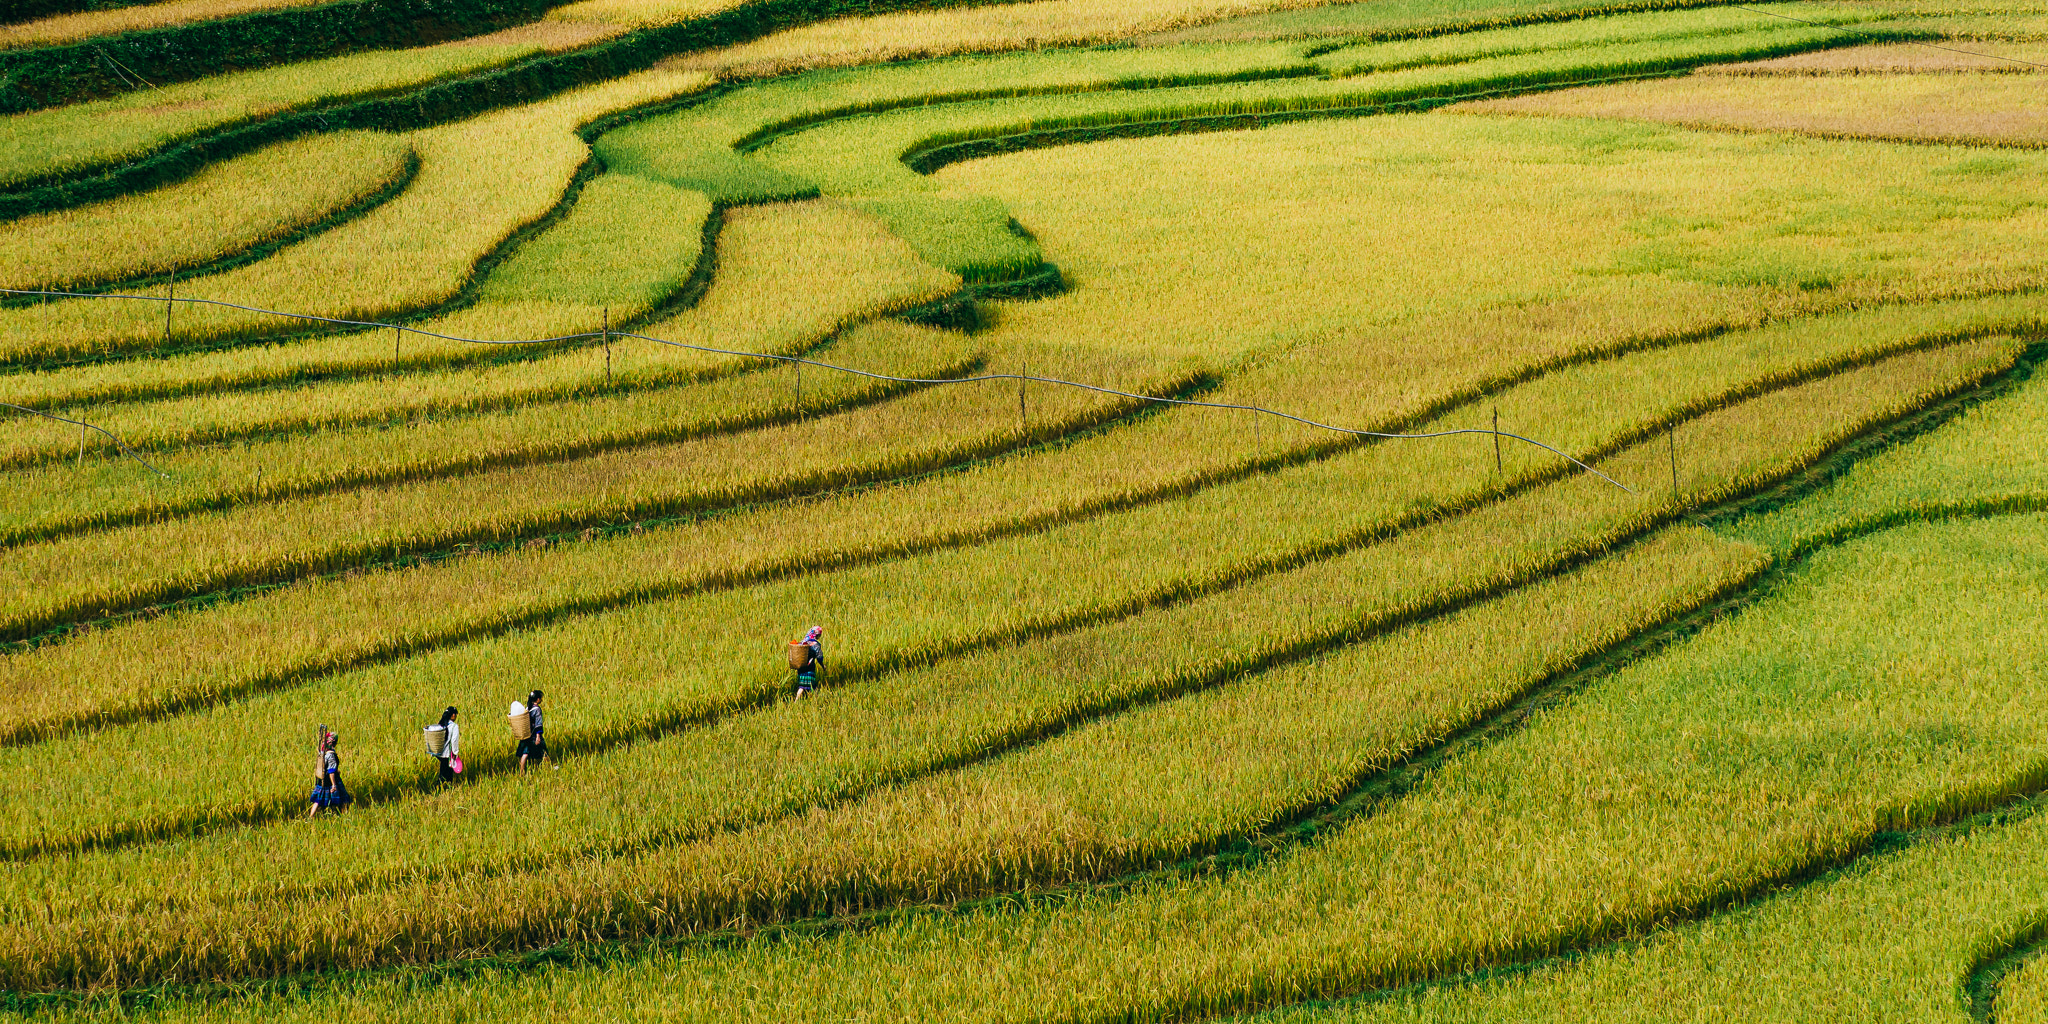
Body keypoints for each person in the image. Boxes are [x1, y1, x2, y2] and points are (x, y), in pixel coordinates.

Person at [307, 729, 351, 817]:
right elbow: (331, 771)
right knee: (343, 799)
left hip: (321, 779)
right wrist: (334, 784)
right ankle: (344, 816)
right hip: (330, 781)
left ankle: (311, 817)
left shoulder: (323, 752)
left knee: (318, 800)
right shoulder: (331, 755)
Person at [517, 690, 547, 771]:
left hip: (526, 733)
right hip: (534, 734)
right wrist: (538, 736)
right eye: (540, 698)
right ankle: (548, 769)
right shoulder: (537, 709)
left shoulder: (527, 708)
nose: (541, 700)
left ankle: (521, 771)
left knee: (525, 753)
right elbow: (538, 724)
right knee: (544, 752)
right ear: (537, 699)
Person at [794, 625, 824, 698]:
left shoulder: (803, 642)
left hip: (801, 666)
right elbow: (819, 657)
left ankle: (813, 698)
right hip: (809, 667)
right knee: (807, 685)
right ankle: (798, 700)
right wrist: (823, 666)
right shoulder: (815, 644)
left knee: (803, 685)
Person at [434, 706, 461, 783]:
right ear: (453, 715)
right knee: (446, 774)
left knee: (445, 770)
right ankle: (440, 788)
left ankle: (445, 788)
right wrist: (455, 752)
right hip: (447, 754)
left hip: (439, 753)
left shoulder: (441, 724)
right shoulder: (454, 727)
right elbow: (454, 741)